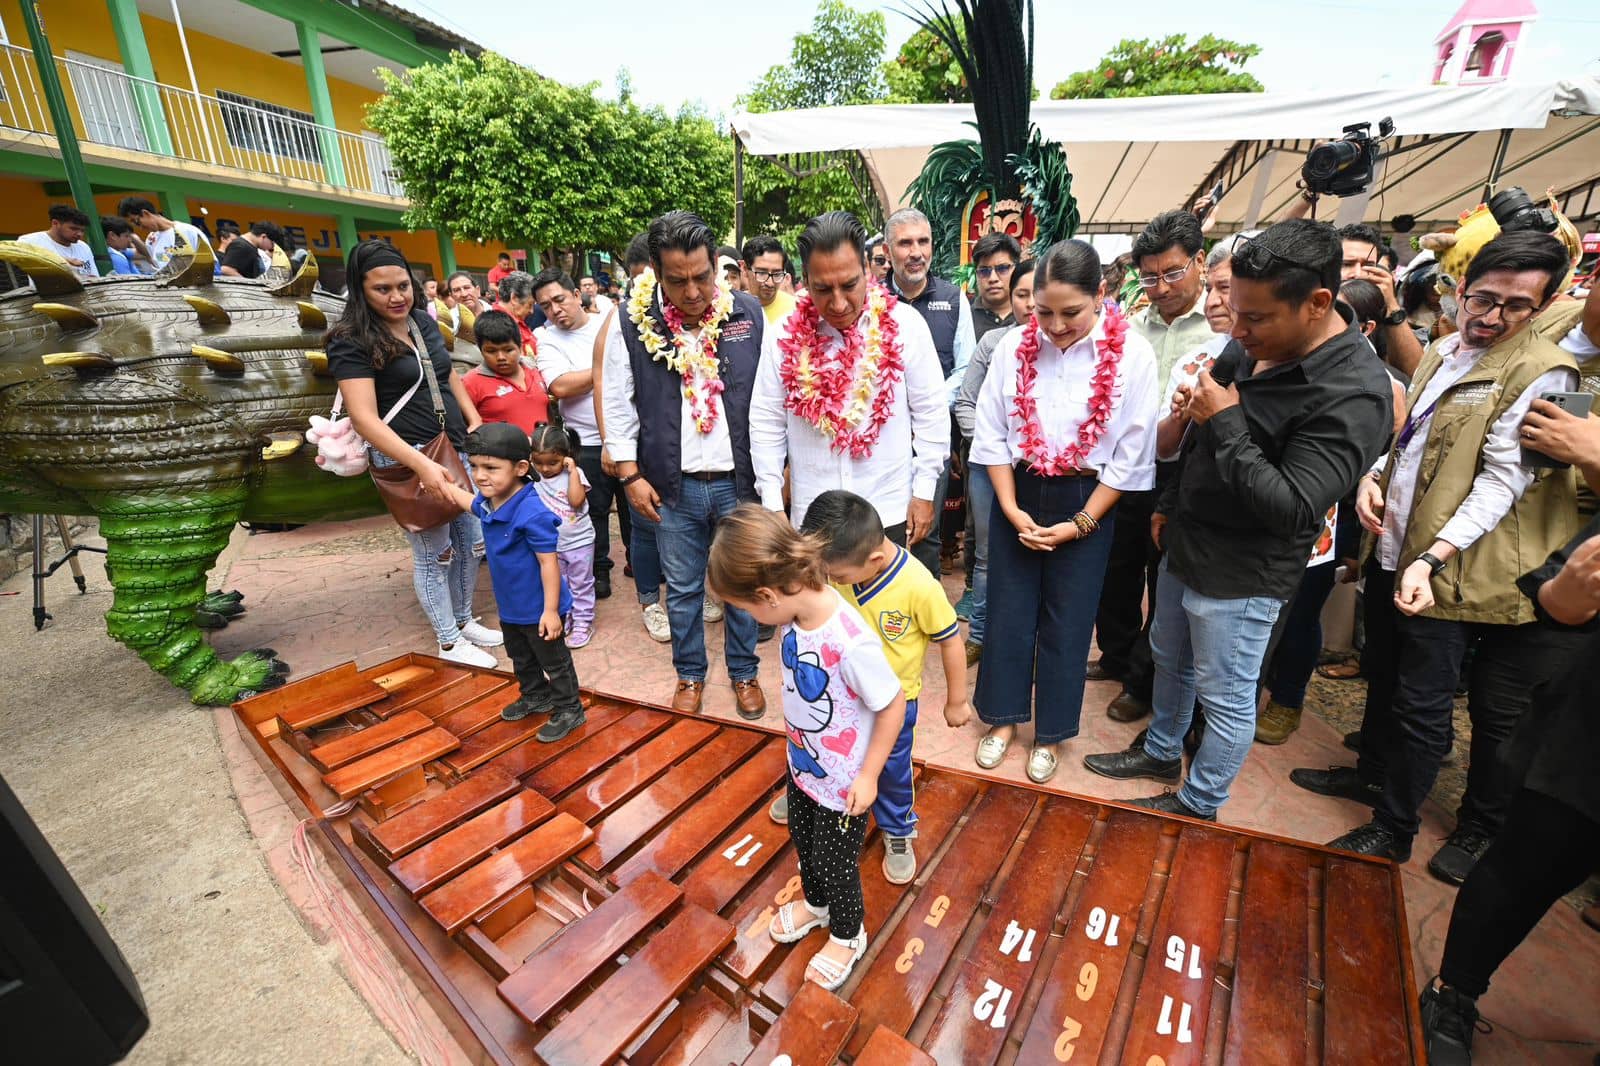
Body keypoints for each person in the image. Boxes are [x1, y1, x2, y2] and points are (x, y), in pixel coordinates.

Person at [1085, 219, 1393, 820]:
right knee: (1169, 654)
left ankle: (1200, 802)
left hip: (1245, 571)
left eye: (1254, 318)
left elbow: (1292, 506)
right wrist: (1171, 505)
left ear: (1318, 304)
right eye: (1230, 306)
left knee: (1225, 695)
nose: (1236, 326)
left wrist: (1224, 418)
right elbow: (1199, 428)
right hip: (1188, 538)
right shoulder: (1252, 341)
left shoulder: (1355, 392)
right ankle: (1160, 749)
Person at [1307, 231, 1587, 881]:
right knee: (1384, 665)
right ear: (1459, 290)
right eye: (1482, 298)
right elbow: (1410, 435)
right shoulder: (1441, 350)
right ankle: (1371, 776)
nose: (1491, 316)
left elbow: (1502, 480)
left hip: (1450, 564)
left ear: (1542, 306)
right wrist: (1374, 476)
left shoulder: (1541, 368)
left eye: (1516, 306)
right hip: (1397, 543)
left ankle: (1396, 827)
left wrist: (1433, 558)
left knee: (1424, 700)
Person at [970, 240, 1159, 784]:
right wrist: (1009, 508)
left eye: (1070, 312)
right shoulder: (1012, 348)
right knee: (1008, 608)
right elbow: (993, 435)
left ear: (1101, 294)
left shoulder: (1132, 356)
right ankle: (1003, 721)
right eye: (1043, 311)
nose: (1054, 326)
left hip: (1088, 500)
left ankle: (1050, 733)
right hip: (1020, 491)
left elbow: (1131, 454)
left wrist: (1081, 523)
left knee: (1069, 619)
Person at [1416, 513, 1599, 1066]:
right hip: (1587, 742)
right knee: (1523, 868)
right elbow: (1560, 604)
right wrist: (1575, 586)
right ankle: (1455, 992)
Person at [707, 505, 906, 992]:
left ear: (768, 595)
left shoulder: (849, 639)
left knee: (838, 861)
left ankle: (847, 933)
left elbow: (893, 703)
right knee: (802, 836)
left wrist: (869, 776)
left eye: (748, 609)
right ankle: (817, 905)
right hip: (803, 766)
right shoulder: (795, 617)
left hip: (845, 783)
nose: (751, 619)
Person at [602, 211, 769, 717]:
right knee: (683, 590)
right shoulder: (632, 323)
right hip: (670, 488)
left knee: (741, 586)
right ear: (655, 270)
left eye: (703, 276)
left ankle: (744, 673)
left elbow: (768, 399)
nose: (694, 291)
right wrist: (629, 476)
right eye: (678, 280)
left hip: (738, 483)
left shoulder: (746, 315)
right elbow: (616, 400)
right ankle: (690, 675)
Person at [765, 489, 967, 884]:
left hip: (892, 702)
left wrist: (957, 700)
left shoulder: (918, 586)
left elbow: (950, 638)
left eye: (836, 577)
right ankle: (811, 795)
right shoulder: (837, 565)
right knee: (819, 744)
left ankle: (897, 829)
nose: (830, 582)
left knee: (890, 770)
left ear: (873, 560)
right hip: (840, 696)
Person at [327, 240, 498, 669]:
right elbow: (365, 419)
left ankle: (462, 620)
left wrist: (473, 418)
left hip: (450, 448)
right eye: (382, 289)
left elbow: (446, 373)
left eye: (403, 285)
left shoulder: (421, 321)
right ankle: (447, 640)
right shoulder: (351, 340)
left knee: (469, 542)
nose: (397, 296)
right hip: (407, 460)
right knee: (433, 551)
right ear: (360, 290)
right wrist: (422, 465)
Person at [1254, 277, 1409, 745]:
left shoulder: (1382, 384)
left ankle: (1287, 700)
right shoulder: (1289, 359)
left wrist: (1352, 546)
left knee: (1300, 616)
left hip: (1324, 522)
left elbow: (1383, 463)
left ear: (1363, 326)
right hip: (1268, 514)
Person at [750, 210, 948, 551]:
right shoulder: (783, 334)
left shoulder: (906, 325)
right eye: (823, 288)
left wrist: (924, 492)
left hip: (889, 512)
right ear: (804, 282)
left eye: (849, 284)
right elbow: (766, 421)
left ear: (868, 270)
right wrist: (771, 504)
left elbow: (931, 415)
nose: (839, 302)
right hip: (812, 518)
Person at [1092, 211, 1211, 692]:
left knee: (1164, 579)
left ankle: (1147, 678)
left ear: (1200, 261)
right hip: (1127, 468)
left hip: (1185, 474)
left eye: (1173, 273)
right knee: (1117, 569)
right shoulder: (1129, 329)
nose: (1160, 287)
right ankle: (1116, 657)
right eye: (1150, 277)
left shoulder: (1220, 327)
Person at [439, 422, 586, 739]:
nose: (480, 476)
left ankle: (569, 709)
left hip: (540, 608)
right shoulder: (491, 502)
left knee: (554, 661)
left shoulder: (531, 512)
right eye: (475, 466)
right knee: (520, 656)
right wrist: (441, 484)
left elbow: (549, 563)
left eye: (491, 467)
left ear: (521, 468)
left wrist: (550, 612)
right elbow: (469, 503)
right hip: (511, 606)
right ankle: (536, 695)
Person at [952, 256, 1035, 666]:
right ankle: (980, 635)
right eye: (1022, 295)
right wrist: (992, 446)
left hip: (1041, 471)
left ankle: (1024, 645)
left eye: (1038, 295)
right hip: (987, 465)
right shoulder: (993, 344)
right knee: (987, 555)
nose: (1031, 305)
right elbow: (967, 403)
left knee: (1033, 554)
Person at [885, 207, 974, 574]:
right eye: (905, 243)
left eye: (923, 241)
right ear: (889, 251)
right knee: (880, 529)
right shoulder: (871, 301)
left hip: (931, 441)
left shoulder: (954, 300)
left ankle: (924, 621)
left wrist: (927, 405)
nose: (916, 252)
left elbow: (965, 368)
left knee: (926, 531)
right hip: (882, 440)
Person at [593, 233, 670, 643]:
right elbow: (604, 379)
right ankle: (649, 602)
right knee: (643, 527)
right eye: (643, 279)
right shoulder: (623, 316)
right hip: (636, 445)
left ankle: (685, 594)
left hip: (672, 443)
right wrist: (611, 442)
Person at [532, 268, 622, 601]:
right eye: (546, 305)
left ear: (575, 295)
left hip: (626, 436)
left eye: (559, 299)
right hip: (583, 440)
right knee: (591, 511)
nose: (555, 310)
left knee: (633, 510)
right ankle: (598, 570)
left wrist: (588, 375)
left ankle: (643, 569)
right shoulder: (547, 339)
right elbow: (560, 386)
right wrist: (606, 369)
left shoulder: (608, 326)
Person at [529, 423, 596, 650]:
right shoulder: (533, 476)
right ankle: (566, 616)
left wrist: (573, 471)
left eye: (552, 462)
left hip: (579, 542)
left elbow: (577, 502)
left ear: (566, 457)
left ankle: (583, 623)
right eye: (539, 462)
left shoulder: (574, 474)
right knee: (561, 583)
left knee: (581, 584)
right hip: (551, 545)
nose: (545, 468)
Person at [1339, 222, 1425, 376]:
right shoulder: (1309, 304)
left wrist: (1391, 303)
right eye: (1347, 264)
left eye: (1368, 265)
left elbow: (1415, 375)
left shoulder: (1374, 311)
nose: (1358, 273)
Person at [461, 309, 552, 434]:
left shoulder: (535, 370)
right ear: (480, 350)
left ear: (520, 346)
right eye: (491, 351)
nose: (501, 357)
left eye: (508, 350)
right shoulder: (470, 383)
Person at [117, 196, 211, 270]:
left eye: (137, 222)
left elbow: (211, 264)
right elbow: (153, 261)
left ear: (146, 213)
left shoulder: (189, 231)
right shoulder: (151, 239)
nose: (140, 228)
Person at [19, 205, 99, 277]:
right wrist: (60, 260)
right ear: (55, 223)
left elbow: (94, 276)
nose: (79, 234)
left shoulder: (83, 247)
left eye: (82, 230)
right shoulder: (30, 241)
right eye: (73, 228)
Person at [968, 232, 1022, 339]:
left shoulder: (1029, 314)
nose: (993, 278)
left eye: (1002, 268)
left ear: (1016, 269)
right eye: (984, 271)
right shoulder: (964, 317)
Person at [741, 235, 796, 327]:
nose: (770, 283)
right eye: (762, 273)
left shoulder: (796, 310)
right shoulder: (730, 310)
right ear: (745, 269)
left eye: (777, 274)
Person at [496, 272, 541, 352]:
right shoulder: (498, 325)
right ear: (514, 298)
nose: (532, 311)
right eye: (530, 304)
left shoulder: (517, 321)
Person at [444, 271, 485, 336]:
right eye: (457, 290)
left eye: (467, 287)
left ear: (478, 290)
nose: (464, 294)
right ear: (451, 296)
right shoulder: (449, 322)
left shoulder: (496, 310)